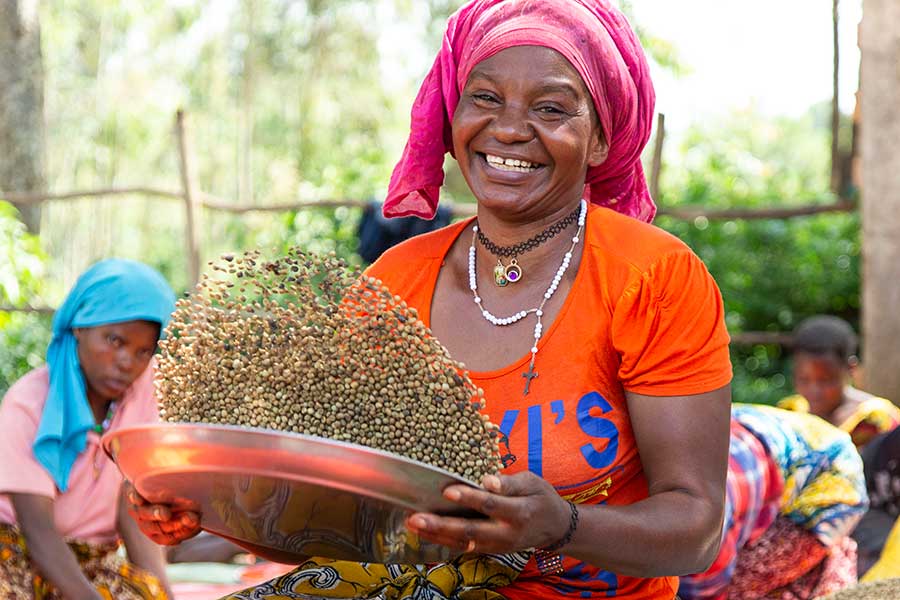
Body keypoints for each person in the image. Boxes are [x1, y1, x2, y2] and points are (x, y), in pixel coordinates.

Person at [127, 1, 734, 598]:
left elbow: (697, 530)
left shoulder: (653, 279)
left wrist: (566, 528)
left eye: (550, 107)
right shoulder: (396, 284)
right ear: (453, 113)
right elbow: (346, 530)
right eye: (485, 98)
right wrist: (210, 509)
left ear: (601, 139)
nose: (509, 129)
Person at [0, 259, 176, 600]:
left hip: (92, 558)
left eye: (144, 351)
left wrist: (162, 594)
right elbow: (38, 531)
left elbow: (132, 509)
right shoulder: (29, 404)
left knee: (146, 594)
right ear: (79, 326)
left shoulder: (141, 397)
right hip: (18, 548)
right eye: (115, 341)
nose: (128, 362)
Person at [679, 404, 867, 599]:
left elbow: (706, 588)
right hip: (770, 448)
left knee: (740, 584)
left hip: (828, 481)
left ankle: (829, 560)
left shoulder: (712, 504)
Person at [777, 315, 899, 448]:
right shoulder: (790, 413)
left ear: (850, 369)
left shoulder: (877, 421)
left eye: (825, 380)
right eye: (803, 380)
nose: (814, 390)